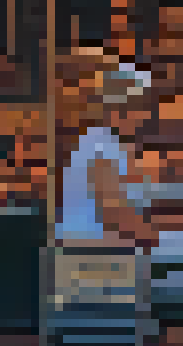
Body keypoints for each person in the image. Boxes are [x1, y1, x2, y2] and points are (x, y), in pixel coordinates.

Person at [57, 65, 156, 247]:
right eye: (139, 108)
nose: (144, 115)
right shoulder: (99, 146)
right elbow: (115, 216)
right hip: (87, 256)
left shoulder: (113, 143)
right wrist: (166, 239)